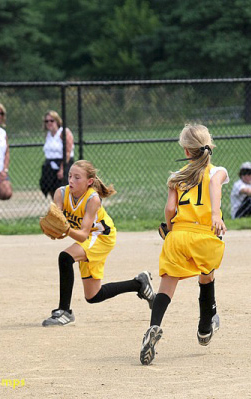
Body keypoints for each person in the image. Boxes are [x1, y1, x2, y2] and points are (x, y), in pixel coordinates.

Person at [139, 124, 229, 366]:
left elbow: (170, 209)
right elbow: (214, 186)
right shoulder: (216, 171)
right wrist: (216, 215)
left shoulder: (176, 177)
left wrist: (169, 231)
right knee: (206, 275)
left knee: (167, 284)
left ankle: (154, 327)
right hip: (203, 233)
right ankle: (204, 328)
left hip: (178, 234)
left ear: (187, 152)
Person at [42, 160, 156, 327]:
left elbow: (81, 235)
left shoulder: (92, 199)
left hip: (102, 237)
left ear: (89, 181)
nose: (71, 180)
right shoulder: (60, 193)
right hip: (89, 238)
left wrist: (66, 230)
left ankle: (64, 312)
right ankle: (139, 284)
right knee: (93, 296)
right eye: (70, 176)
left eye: (77, 177)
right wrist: (54, 229)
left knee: (65, 257)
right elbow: (57, 219)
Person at [40, 110, 75, 199]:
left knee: (64, 192)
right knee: (52, 191)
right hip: (50, 164)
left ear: (57, 121)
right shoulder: (48, 135)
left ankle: (68, 211)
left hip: (63, 163)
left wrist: (62, 169)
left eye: (52, 120)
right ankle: (58, 210)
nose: (49, 123)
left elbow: (68, 152)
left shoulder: (64, 132)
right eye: (46, 121)